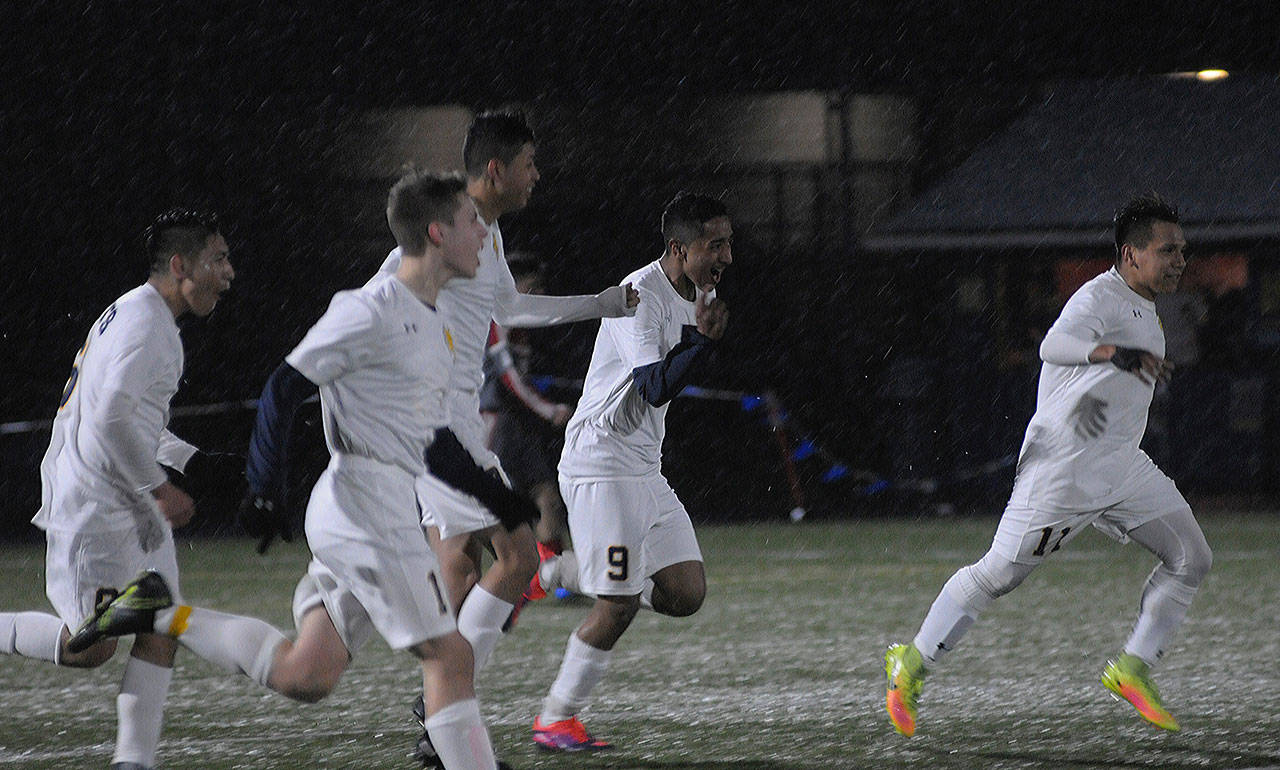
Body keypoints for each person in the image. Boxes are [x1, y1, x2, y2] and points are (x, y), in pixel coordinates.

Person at [883, 193, 1211, 738]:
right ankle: (910, 664)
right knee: (998, 575)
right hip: (1064, 470)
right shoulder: (1099, 296)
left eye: (1183, 250)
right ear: (1131, 255)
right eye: (1167, 250)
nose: (1180, 260)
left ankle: (1132, 669)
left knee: (1191, 557)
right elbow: (1054, 345)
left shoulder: (1146, 308)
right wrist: (1116, 354)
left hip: (1122, 466)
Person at [373, 109, 639, 763]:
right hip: (441, 429)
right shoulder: (446, 226)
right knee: (520, 560)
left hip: (451, 426)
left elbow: (511, 309)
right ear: (496, 170)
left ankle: (442, 712)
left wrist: (598, 303)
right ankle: (445, 700)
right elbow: (376, 296)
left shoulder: (484, 234)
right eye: (529, 165)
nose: (536, 176)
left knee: (463, 561)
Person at [0, 209, 282, 769]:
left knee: (163, 622)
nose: (229, 273)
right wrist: (158, 486)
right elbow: (107, 421)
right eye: (217, 259)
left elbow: (130, 419)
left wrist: (192, 462)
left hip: (123, 501)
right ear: (180, 265)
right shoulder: (146, 324)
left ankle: (134, 762)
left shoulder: (141, 314)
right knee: (92, 646)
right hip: (96, 508)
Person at [532, 191, 732, 751]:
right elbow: (653, 386)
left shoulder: (699, 291)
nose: (727, 256)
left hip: (643, 465)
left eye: (728, 242)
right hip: (601, 463)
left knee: (686, 592)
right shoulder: (639, 295)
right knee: (617, 605)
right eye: (715, 244)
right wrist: (701, 342)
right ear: (678, 248)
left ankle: (557, 574)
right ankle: (556, 718)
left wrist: (699, 337)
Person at [479, 255, 581, 601]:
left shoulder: (517, 325)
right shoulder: (497, 319)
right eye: (532, 288)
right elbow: (508, 379)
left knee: (546, 498)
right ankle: (513, 583)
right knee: (491, 514)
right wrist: (549, 409)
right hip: (496, 425)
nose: (538, 294)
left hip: (516, 425)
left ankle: (552, 582)